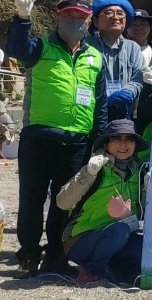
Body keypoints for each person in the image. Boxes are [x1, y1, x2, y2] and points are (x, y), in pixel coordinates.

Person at [5, 0, 107, 278]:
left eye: (80, 17)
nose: (74, 21)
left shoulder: (95, 58)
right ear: (57, 18)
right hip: (39, 137)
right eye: (68, 15)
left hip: (78, 141)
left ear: (90, 22)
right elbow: (18, 49)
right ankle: (28, 254)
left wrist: (99, 143)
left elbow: (100, 104)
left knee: (65, 202)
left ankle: (55, 256)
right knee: (32, 198)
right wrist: (22, 19)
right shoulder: (40, 47)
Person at [55, 118, 146, 285]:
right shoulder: (95, 169)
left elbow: (144, 212)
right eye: (116, 138)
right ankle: (92, 270)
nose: (123, 144)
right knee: (120, 230)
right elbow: (62, 202)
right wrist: (88, 174)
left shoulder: (139, 172)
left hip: (120, 237)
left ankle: (112, 268)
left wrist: (149, 188)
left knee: (144, 247)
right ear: (106, 144)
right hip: (81, 241)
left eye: (129, 139)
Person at [86, 0, 146, 121]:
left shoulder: (132, 47)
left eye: (120, 13)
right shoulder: (85, 45)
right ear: (95, 21)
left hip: (123, 115)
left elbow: (139, 76)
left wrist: (128, 92)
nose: (115, 17)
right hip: (90, 112)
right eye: (108, 13)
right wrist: (104, 100)